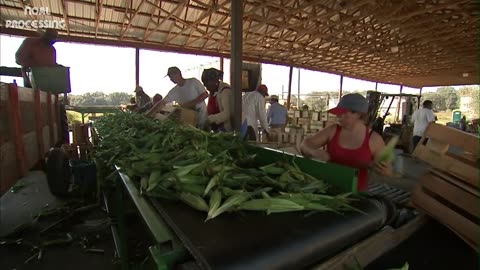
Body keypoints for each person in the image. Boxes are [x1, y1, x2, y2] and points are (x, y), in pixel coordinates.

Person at [299, 93, 392, 191]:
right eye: (337, 113)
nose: (338, 116)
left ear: (358, 114)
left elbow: (388, 171)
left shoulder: (374, 139)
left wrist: (382, 170)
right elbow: (304, 145)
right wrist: (314, 152)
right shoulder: (332, 130)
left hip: (356, 193)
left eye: (343, 113)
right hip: (327, 189)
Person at [201, 68, 233, 132]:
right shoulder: (213, 92)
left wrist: (210, 119)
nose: (206, 87)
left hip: (226, 130)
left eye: (206, 84)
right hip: (216, 130)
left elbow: (226, 114)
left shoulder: (225, 92)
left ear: (214, 81)